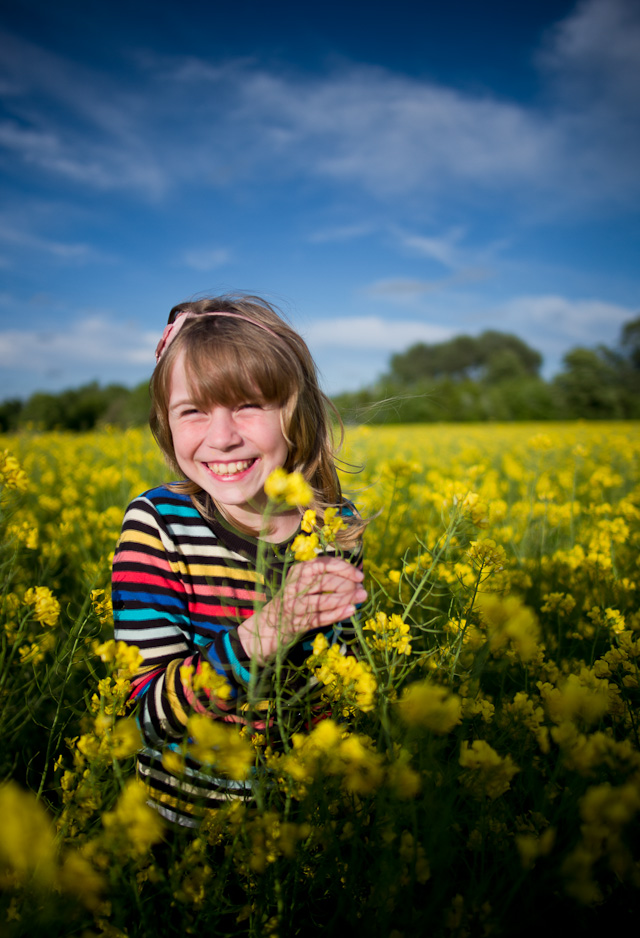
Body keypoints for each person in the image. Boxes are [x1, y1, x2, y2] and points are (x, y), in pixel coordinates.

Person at [112, 295, 367, 828]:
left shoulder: (335, 524)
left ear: (294, 413)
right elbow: (143, 718)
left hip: (307, 827)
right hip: (185, 832)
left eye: (249, 405)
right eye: (194, 411)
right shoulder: (159, 524)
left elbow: (340, 680)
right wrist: (267, 631)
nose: (223, 436)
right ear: (166, 422)